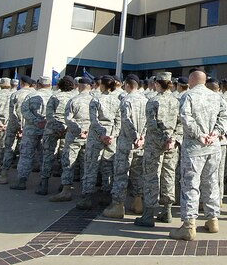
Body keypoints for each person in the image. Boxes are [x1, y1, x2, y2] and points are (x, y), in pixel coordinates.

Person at [169, 69, 227, 241]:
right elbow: (225, 117)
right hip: (213, 147)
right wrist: (215, 133)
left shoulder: (188, 96)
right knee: (211, 183)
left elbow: (185, 118)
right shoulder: (216, 96)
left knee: (190, 185)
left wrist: (199, 134)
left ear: (191, 80)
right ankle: (212, 219)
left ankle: (189, 226)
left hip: (195, 148)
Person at [135, 72, 182, 227]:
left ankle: (148, 214)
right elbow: (181, 123)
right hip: (171, 145)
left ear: (157, 83)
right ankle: (167, 211)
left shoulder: (153, 101)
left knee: (151, 176)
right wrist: (172, 139)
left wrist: (164, 139)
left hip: (155, 145)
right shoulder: (177, 101)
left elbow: (152, 125)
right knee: (169, 174)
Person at [103, 74, 147, 219]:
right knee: (138, 174)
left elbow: (126, 121)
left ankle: (118, 206)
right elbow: (149, 122)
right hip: (141, 144)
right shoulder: (146, 100)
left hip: (126, 143)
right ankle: (138, 202)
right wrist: (142, 137)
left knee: (121, 174)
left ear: (127, 85)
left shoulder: (125, 100)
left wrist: (134, 137)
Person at [77, 76, 122, 210]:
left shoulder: (96, 100)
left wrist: (102, 135)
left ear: (101, 85)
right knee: (107, 166)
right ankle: (106, 194)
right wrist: (112, 135)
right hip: (111, 137)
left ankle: (87, 197)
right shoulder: (117, 101)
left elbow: (94, 121)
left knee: (91, 165)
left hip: (97, 136)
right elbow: (119, 121)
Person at [49, 76, 93, 201]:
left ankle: (66, 190)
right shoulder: (95, 100)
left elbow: (68, 118)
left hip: (74, 136)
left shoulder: (74, 100)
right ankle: (86, 192)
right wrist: (87, 131)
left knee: (68, 162)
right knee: (87, 163)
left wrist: (79, 130)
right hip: (90, 136)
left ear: (78, 86)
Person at [11, 75, 54, 190]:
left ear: (39, 84)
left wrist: (36, 121)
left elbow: (24, 111)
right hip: (48, 129)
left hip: (31, 129)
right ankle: (43, 183)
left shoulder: (31, 95)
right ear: (50, 85)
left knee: (26, 155)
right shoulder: (54, 96)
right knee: (45, 155)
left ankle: (22, 181)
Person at [37, 75, 76, 195]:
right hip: (68, 130)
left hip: (52, 130)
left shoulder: (54, 96)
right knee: (66, 157)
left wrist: (56, 127)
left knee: (48, 156)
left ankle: (44, 184)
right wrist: (65, 128)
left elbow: (49, 115)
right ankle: (64, 184)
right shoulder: (74, 98)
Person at [0, 75, 35, 185]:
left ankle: (4, 175)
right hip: (30, 126)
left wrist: (15, 125)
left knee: (9, 148)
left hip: (14, 125)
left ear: (21, 83)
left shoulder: (16, 94)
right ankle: (24, 178)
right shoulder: (35, 94)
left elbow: (12, 112)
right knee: (26, 152)